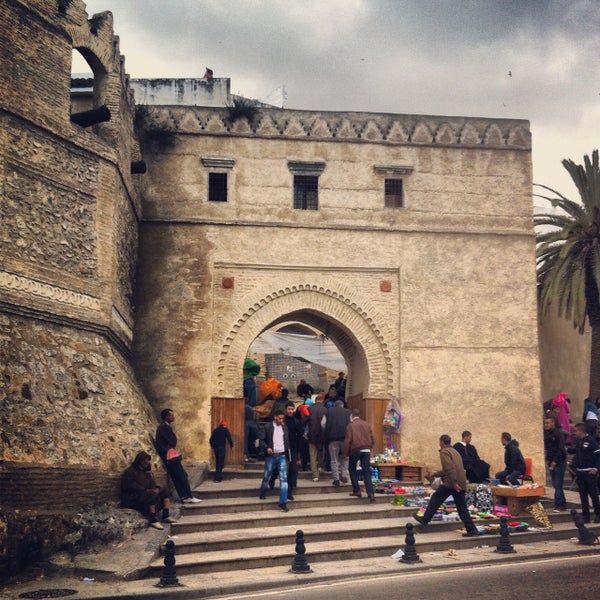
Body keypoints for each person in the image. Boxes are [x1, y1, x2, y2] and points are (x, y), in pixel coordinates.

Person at [413, 435, 479, 536]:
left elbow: (449, 468)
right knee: (462, 508)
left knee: (436, 497)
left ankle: (425, 519)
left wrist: (454, 483)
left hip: (451, 483)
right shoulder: (455, 451)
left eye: (439, 442)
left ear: (442, 442)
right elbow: (447, 470)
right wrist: (434, 474)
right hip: (461, 481)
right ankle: (472, 530)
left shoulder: (444, 452)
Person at [155, 408, 201, 504]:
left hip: (168, 457)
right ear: (166, 416)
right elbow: (171, 441)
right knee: (182, 476)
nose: (173, 417)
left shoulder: (164, 427)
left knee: (177, 477)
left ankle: (184, 497)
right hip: (170, 457)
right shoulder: (164, 427)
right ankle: (188, 496)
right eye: (171, 415)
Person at [121, 451, 174, 529]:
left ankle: (165, 515)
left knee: (165, 491)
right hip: (133, 497)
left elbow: (152, 484)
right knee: (151, 495)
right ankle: (153, 519)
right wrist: (147, 490)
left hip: (145, 493)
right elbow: (131, 486)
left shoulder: (146, 473)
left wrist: (156, 488)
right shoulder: (130, 472)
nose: (147, 462)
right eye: (145, 461)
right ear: (140, 461)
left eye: (148, 460)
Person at [259, 409, 291, 511]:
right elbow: (261, 440)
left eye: (282, 418)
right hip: (271, 455)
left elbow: (287, 441)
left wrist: (288, 455)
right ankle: (263, 492)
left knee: (284, 479)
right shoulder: (267, 427)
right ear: (275, 417)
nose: (281, 420)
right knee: (266, 476)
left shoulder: (284, 427)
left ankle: (283, 502)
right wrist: (266, 448)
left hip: (282, 455)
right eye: (280, 418)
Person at [344, 407, 376, 502]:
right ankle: (370, 493)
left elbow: (348, 440)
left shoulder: (350, 425)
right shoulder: (366, 424)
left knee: (352, 469)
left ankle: (357, 490)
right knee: (367, 471)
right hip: (366, 449)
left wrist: (345, 453)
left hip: (355, 449)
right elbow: (372, 437)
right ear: (359, 415)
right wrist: (371, 446)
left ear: (352, 416)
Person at [571, 422, 600, 523]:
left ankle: (598, 514)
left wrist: (596, 468)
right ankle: (585, 516)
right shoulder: (579, 442)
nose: (574, 433)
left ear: (581, 431)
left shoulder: (591, 441)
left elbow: (598, 456)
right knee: (583, 495)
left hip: (589, 472)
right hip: (580, 472)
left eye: (576, 431)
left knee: (593, 494)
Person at [543, 416, 567, 512]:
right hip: (551, 461)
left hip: (559, 462)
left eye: (547, 423)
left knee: (558, 485)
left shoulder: (558, 434)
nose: (545, 425)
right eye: (545, 423)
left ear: (553, 423)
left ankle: (559, 505)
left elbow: (561, 449)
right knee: (557, 485)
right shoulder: (548, 434)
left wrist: (555, 461)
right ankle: (563, 504)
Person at [324, 399, 350, 486]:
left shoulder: (329, 411)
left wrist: (327, 431)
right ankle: (344, 476)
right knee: (345, 457)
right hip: (345, 439)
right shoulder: (348, 412)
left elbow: (323, 424)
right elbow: (351, 424)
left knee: (334, 459)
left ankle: (336, 479)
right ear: (342, 405)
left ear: (334, 405)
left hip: (332, 439)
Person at [308, 392, 327, 482]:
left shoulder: (310, 409)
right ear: (322, 401)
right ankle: (320, 466)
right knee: (321, 453)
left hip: (312, 435)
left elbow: (306, 420)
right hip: (322, 435)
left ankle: (315, 475)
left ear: (315, 401)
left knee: (313, 456)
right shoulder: (325, 410)